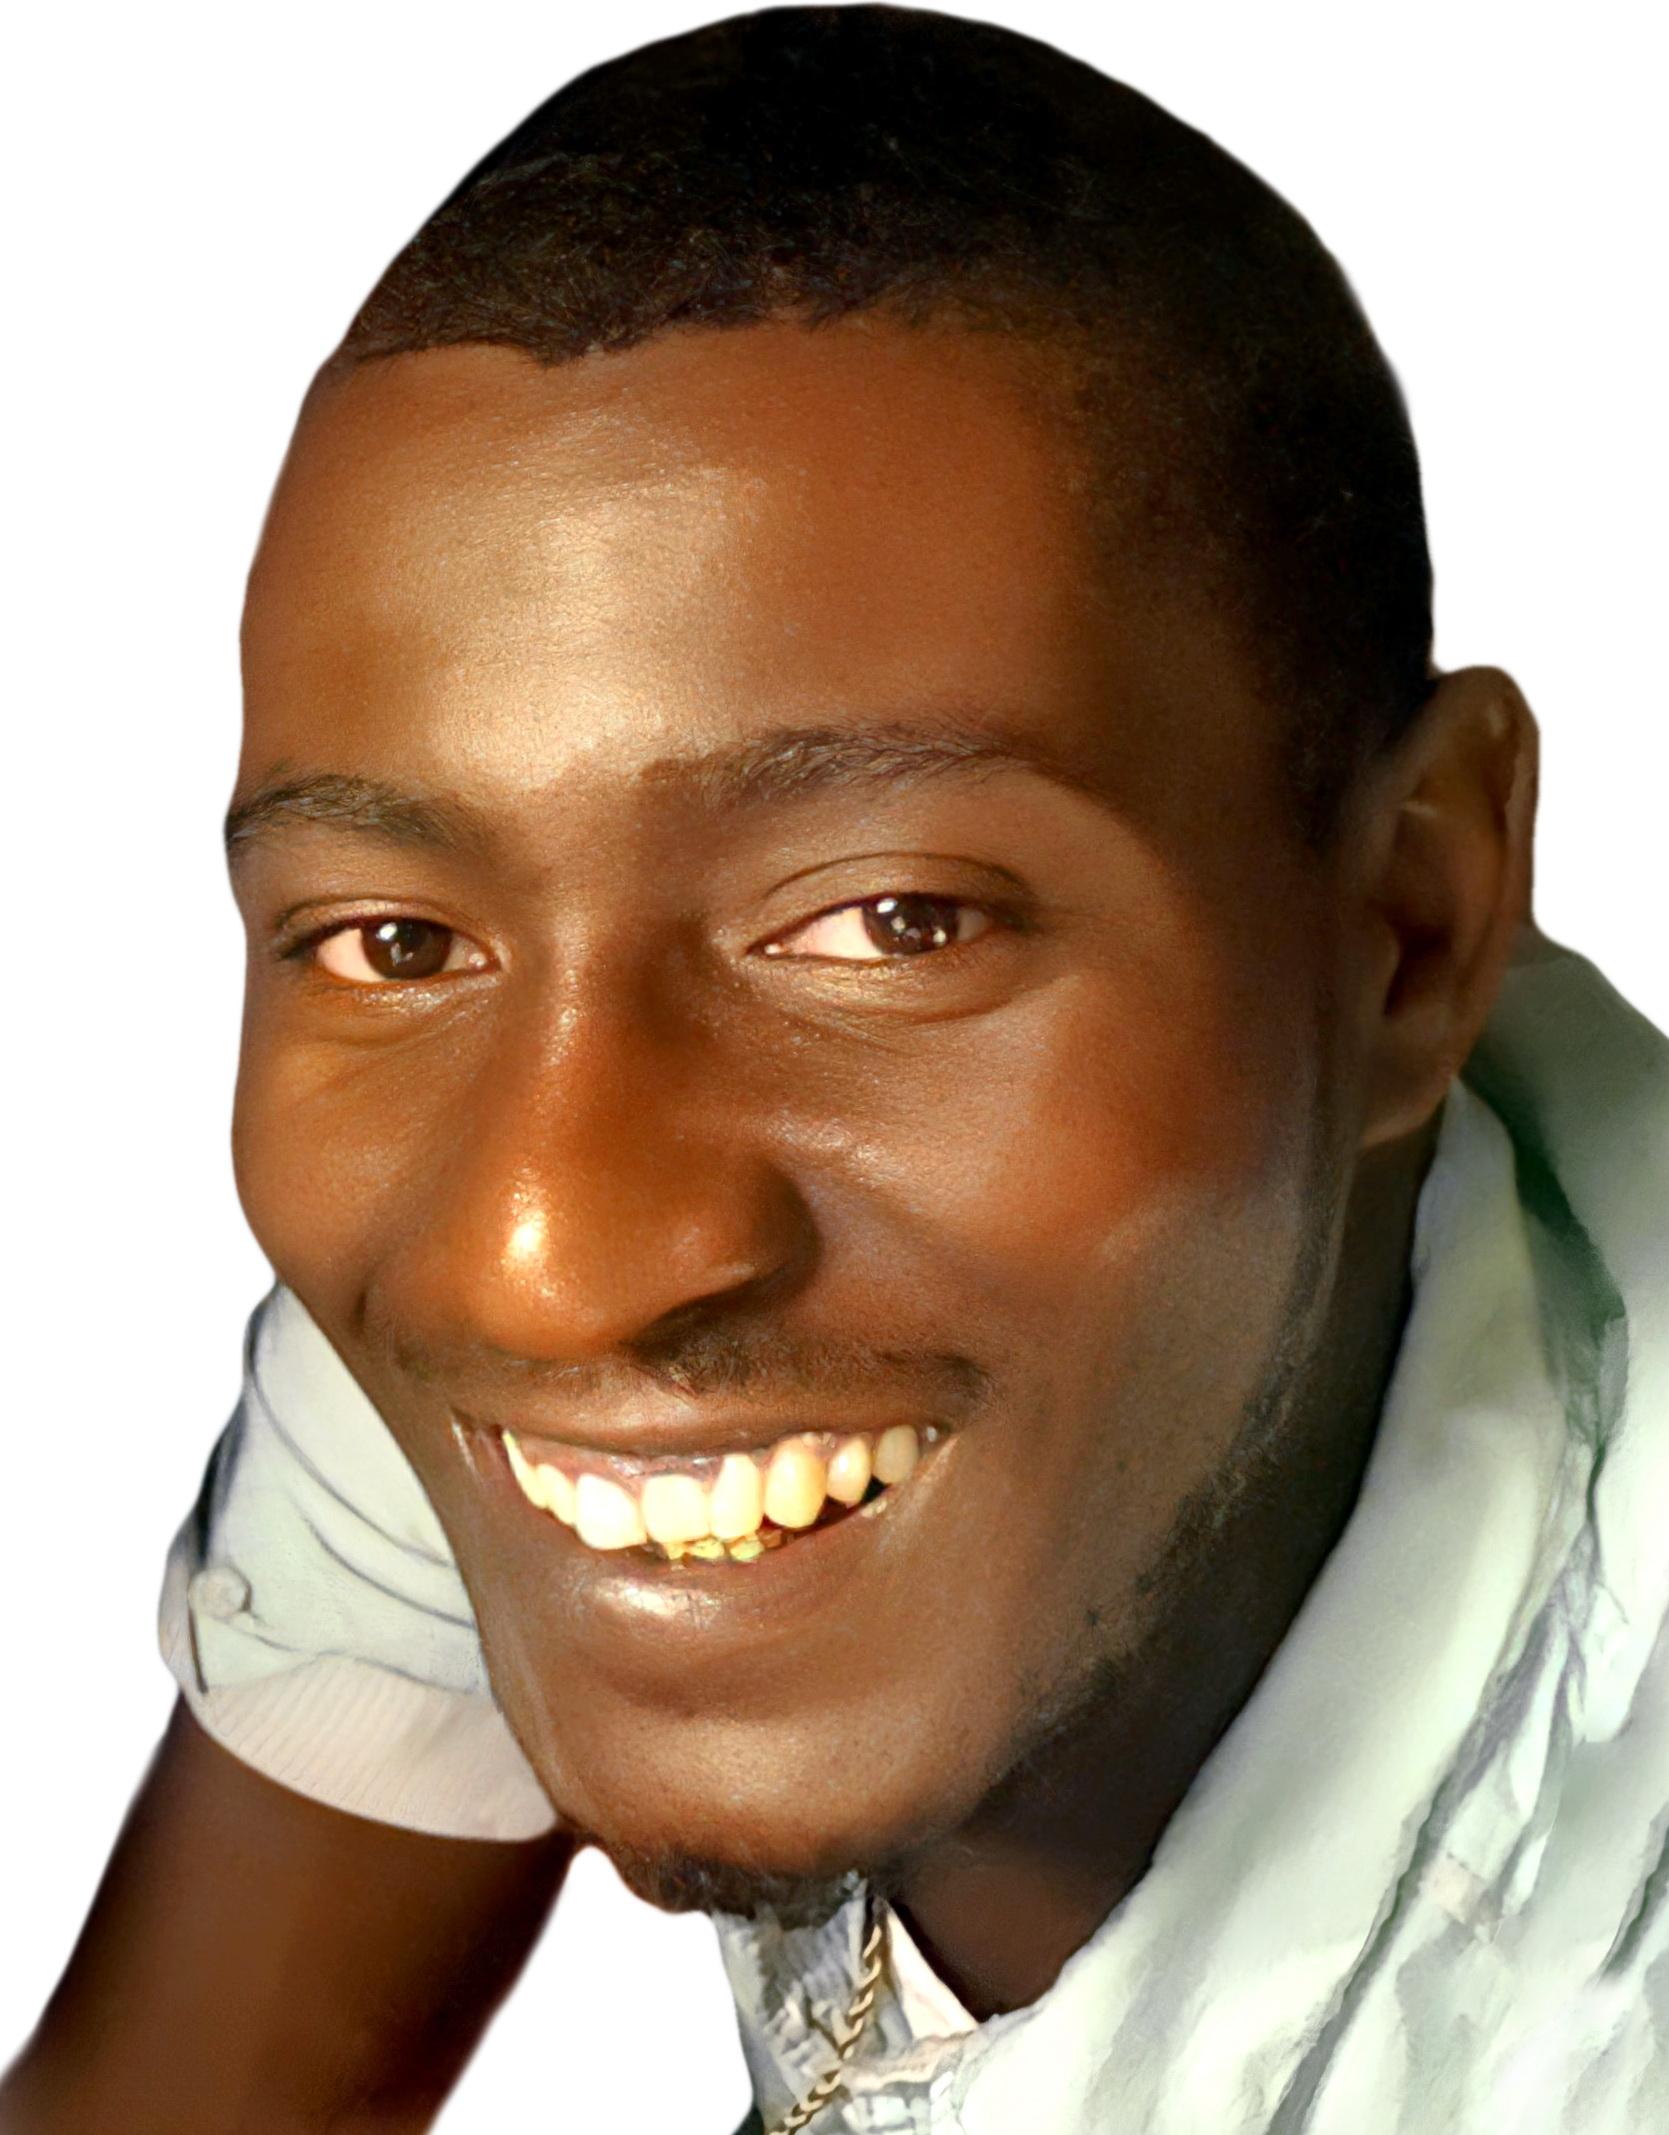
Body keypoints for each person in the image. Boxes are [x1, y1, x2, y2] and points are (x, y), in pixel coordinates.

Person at [3, 6, 1664, 2130]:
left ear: (1407, 929)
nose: (546, 1257)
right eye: (398, 940)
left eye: (892, 923)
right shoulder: (511, 1242)